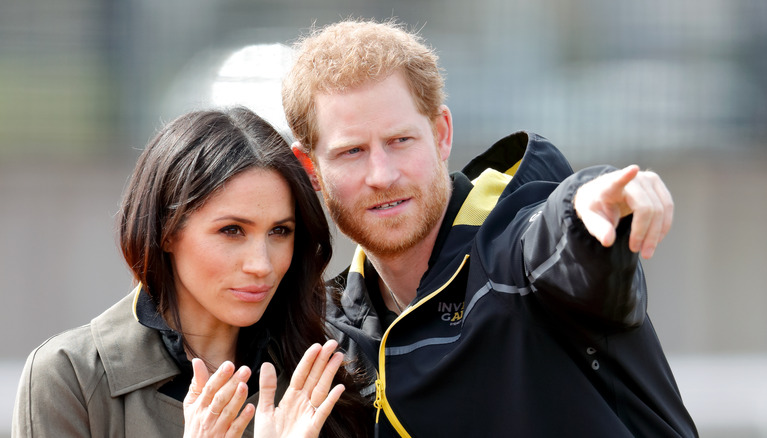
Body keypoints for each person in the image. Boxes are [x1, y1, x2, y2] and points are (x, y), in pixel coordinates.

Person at [281, 19, 698, 437]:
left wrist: (585, 206)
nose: (382, 174)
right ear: (311, 169)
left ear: (441, 134)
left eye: (400, 141)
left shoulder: (514, 251)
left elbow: (556, 238)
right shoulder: (324, 337)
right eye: (352, 152)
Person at [12, 107, 371, 438]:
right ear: (166, 231)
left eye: (280, 231)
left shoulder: (326, 371)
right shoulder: (71, 377)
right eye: (232, 230)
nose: (261, 264)